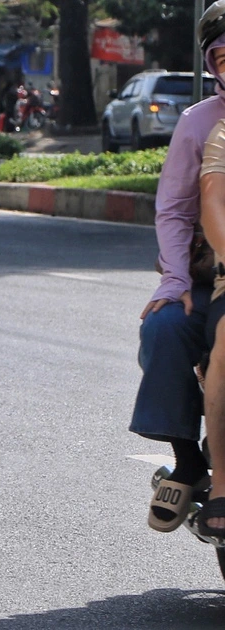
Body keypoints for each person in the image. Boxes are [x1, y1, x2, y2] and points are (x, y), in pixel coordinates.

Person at [135, 0, 225, 534]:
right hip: (209, 279)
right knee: (165, 327)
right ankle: (188, 460)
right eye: (222, 55)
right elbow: (173, 209)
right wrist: (175, 281)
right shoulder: (199, 125)